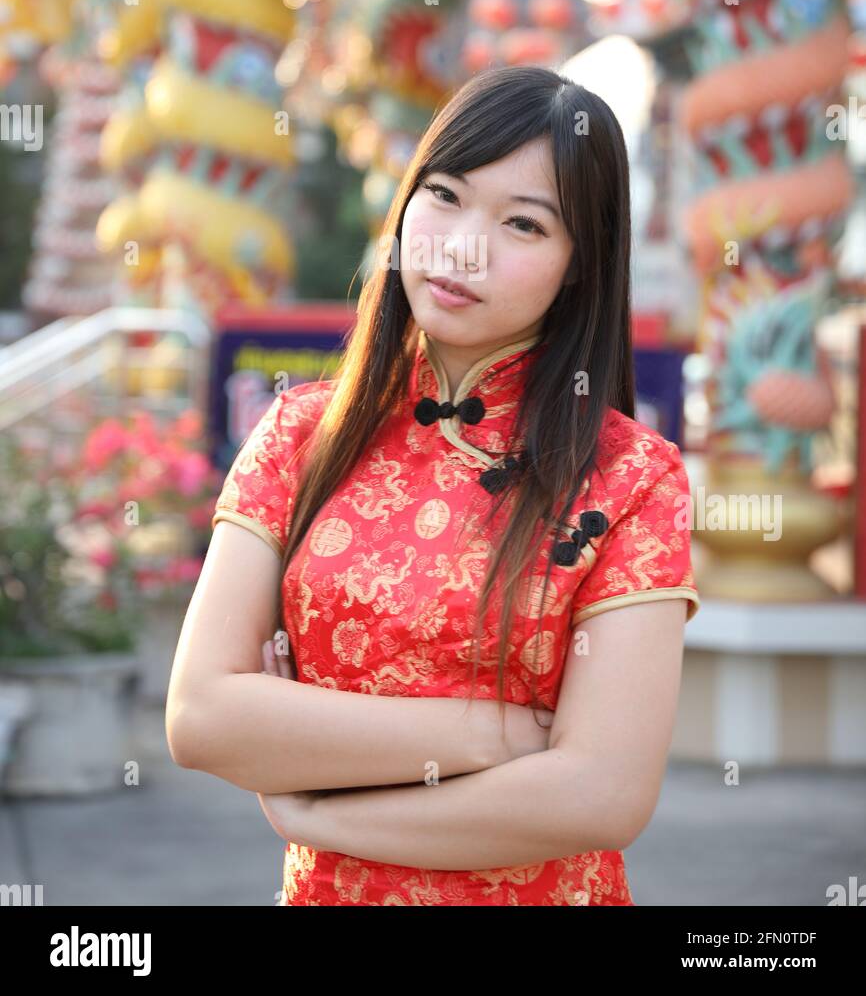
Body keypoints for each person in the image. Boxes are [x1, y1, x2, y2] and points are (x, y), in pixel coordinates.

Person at [166, 63, 700, 906]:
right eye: (445, 195)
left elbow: (602, 794)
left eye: (524, 224)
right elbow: (201, 719)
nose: (461, 246)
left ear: (579, 267)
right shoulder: (302, 435)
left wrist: (323, 812)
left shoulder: (631, 477)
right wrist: (495, 733)